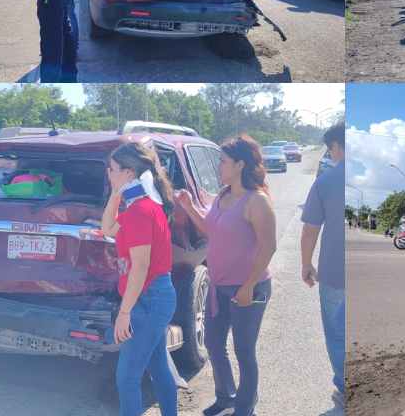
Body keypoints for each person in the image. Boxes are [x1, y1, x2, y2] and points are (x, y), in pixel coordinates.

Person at [178, 135, 276, 416]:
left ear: (240, 165)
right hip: (218, 285)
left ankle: (245, 408)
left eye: (223, 162)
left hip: (249, 288)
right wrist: (188, 206)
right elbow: (210, 230)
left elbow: (269, 246)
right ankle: (226, 396)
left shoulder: (256, 201)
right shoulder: (222, 196)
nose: (218, 166)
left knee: (244, 351)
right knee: (213, 344)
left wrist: (249, 285)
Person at [101, 142, 178, 416]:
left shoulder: (140, 211)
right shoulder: (140, 205)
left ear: (129, 173)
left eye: (111, 170)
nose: (108, 174)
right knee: (157, 367)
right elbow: (107, 228)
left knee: (127, 378)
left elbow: (140, 267)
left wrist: (124, 313)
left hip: (148, 298)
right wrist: (115, 193)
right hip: (152, 296)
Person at [301, 123, 345, 409]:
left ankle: (345, 389)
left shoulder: (326, 181)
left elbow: (310, 230)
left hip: (334, 274)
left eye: (331, 149)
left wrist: (306, 264)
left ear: (336, 146)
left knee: (337, 332)